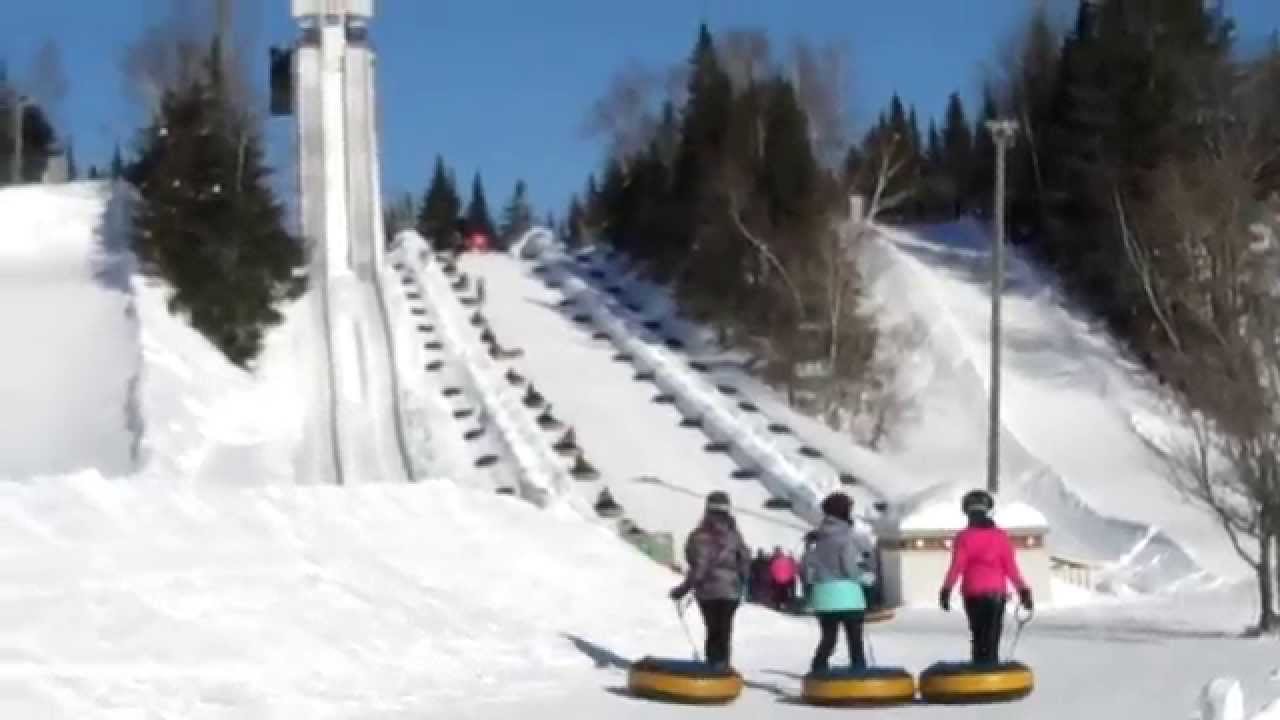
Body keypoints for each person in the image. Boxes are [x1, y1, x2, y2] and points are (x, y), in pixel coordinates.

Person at [938, 489, 1034, 666]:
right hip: (996, 594)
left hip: (973, 593)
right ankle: (991, 671)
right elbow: (1011, 568)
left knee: (978, 636)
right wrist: (1024, 591)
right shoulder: (1000, 537)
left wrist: (946, 589)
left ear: (967, 512)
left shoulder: (963, 537)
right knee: (992, 637)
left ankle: (979, 672)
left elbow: (956, 567)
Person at [670, 491, 752, 669]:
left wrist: (683, 589)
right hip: (731, 590)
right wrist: (742, 580)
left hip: (708, 591)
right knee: (724, 629)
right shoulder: (734, 535)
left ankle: (713, 666)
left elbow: (697, 566)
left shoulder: (699, 536)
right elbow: (745, 558)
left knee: (713, 629)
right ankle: (722, 665)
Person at [801, 492, 876, 672]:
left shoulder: (816, 538)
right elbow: (849, 567)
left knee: (828, 638)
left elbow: (806, 566)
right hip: (847, 595)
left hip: (823, 596)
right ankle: (858, 671)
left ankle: (818, 668)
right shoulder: (846, 537)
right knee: (854, 639)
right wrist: (866, 577)